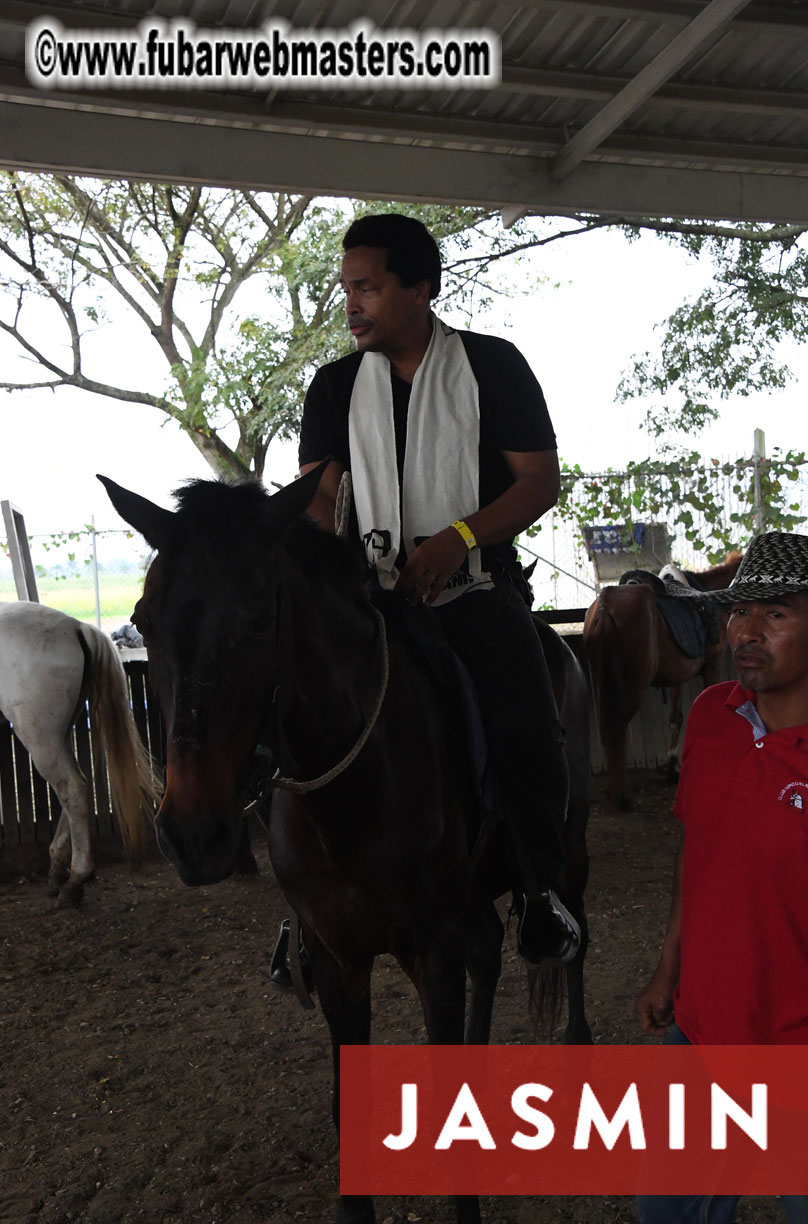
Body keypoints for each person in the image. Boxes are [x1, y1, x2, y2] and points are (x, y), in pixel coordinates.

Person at [269, 212, 579, 988]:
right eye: (346, 289)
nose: (351, 306)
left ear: (421, 288)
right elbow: (319, 502)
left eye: (367, 288)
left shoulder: (493, 365)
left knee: (523, 701)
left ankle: (540, 886)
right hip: (369, 594)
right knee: (289, 711)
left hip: (474, 587)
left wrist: (458, 540)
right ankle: (303, 911)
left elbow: (538, 482)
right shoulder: (335, 386)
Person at [635, 530, 808, 1224]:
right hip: (704, 1031)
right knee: (669, 1215)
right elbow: (698, 854)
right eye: (740, 613)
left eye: (777, 614)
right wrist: (668, 969)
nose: (747, 632)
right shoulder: (711, 718)